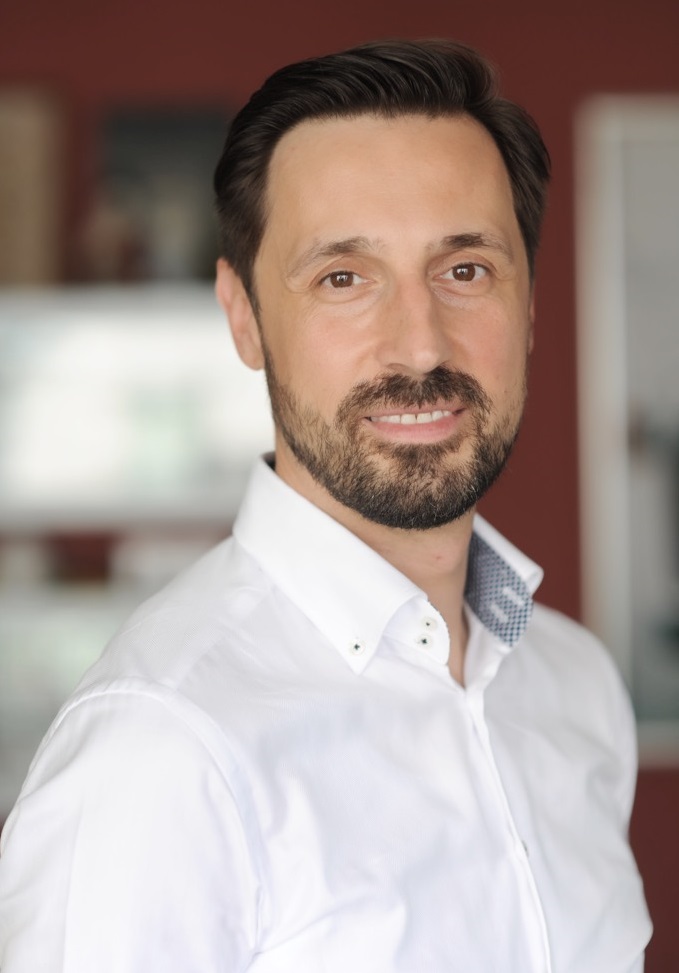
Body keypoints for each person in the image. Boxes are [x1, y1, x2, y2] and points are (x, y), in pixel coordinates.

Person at [0, 39, 651, 972]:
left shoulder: (574, 687)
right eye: (343, 278)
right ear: (243, 317)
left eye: (465, 270)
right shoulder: (160, 750)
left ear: (530, 305)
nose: (419, 345)